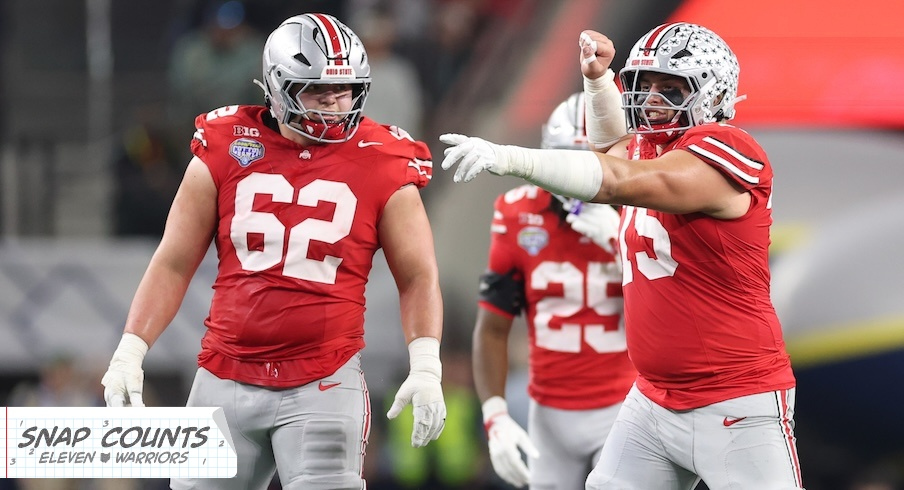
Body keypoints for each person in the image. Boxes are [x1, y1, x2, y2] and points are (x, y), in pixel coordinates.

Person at [440, 22, 804, 489]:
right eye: (643, 85)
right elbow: (610, 150)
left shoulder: (729, 148)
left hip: (732, 399)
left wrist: (512, 159)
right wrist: (598, 81)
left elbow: (616, 179)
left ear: (712, 94)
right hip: (653, 401)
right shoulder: (652, 148)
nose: (651, 99)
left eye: (671, 89)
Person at [101, 13, 446, 490]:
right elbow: (174, 260)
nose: (334, 104)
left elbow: (418, 276)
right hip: (224, 376)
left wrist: (426, 364)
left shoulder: (383, 156)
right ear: (279, 86)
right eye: (317, 90)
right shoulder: (226, 143)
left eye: (344, 90)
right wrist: (130, 350)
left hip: (322, 382)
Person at [473, 92, 637, 490]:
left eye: (592, 165)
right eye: (569, 162)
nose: (579, 178)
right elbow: (493, 327)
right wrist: (495, 416)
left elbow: (679, 318)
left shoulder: (644, 210)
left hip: (628, 407)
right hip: (547, 410)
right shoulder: (518, 213)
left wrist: (624, 248)